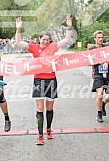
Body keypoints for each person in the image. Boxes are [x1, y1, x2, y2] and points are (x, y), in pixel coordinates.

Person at [16, 15, 72, 145]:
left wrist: (69, 27)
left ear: (49, 41)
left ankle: (48, 129)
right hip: (38, 81)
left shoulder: (53, 47)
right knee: (40, 108)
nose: (45, 42)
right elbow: (19, 43)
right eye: (43, 39)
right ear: (39, 39)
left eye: (47, 40)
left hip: (51, 80)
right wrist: (18, 29)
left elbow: (67, 40)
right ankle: (40, 135)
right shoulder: (34, 48)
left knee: (50, 107)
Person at [89, 30, 109, 123]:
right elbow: (87, 63)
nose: (101, 39)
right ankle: (99, 113)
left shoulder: (107, 47)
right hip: (97, 75)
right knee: (100, 93)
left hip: (107, 74)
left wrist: (106, 61)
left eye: (102, 37)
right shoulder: (92, 49)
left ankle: (103, 104)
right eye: (99, 37)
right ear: (95, 39)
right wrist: (99, 61)